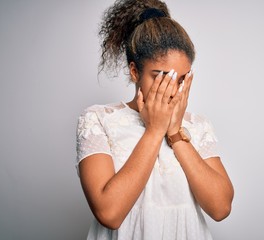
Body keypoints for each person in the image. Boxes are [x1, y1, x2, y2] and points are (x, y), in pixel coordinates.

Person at [75, 0, 234, 239]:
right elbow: (109, 213)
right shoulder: (98, 119)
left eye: (180, 80)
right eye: (161, 77)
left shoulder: (197, 127)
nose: (171, 90)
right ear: (135, 72)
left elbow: (221, 208)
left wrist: (175, 133)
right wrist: (154, 130)